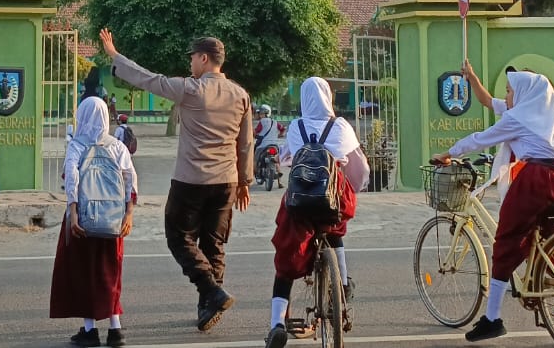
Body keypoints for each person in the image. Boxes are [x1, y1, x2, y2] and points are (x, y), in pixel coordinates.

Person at [100, 28, 252, 332]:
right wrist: (245, 181)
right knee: (214, 243)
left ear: (205, 58)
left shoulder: (191, 89)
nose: (190, 63)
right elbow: (246, 143)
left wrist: (115, 55)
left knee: (177, 236)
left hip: (191, 179)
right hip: (227, 181)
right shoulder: (240, 94)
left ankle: (211, 291)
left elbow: (148, 79)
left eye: (193, 57)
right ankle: (210, 301)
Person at [431, 61, 554, 343]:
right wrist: (472, 77)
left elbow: (480, 139)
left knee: (506, 242)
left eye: (510, 91)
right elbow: (488, 101)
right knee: (552, 240)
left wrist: (448, 153)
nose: (507, 97)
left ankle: (493, 318)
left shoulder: (518, 118)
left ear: (523, 94)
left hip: (536, 181)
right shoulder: (551, 119)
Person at [264, 77, 367, 348]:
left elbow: (287, 158)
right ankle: (342, 283)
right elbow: (360, 169)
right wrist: (355, 187)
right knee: (335, 229)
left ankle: (276, 323)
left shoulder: (297, 126)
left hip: (301, 199)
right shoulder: (341, 127)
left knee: (286, 256)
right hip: (335, 197)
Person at [51, 96, 138, 347]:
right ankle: (115, 328)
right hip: (114, 220)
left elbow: (72, 180)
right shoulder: (117, 146)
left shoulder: (77, 146)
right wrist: (128, 213)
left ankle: (90, 329)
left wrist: (74, 213)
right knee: (109, 272)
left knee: (84, 272)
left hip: (84, 220)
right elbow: (131, 181)